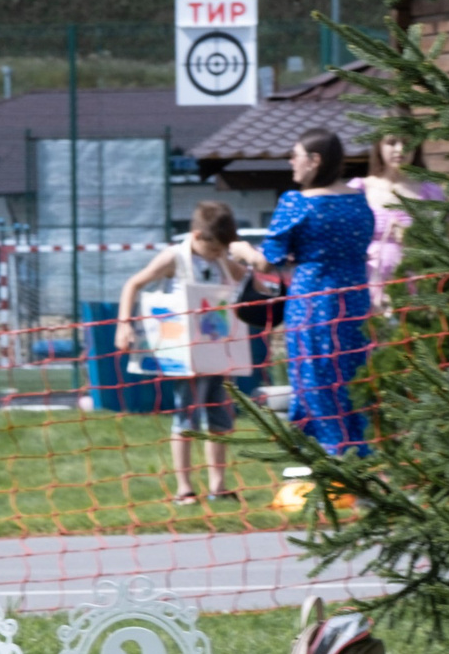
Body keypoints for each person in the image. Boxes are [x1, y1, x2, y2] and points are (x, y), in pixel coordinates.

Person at [114, 200, 252, 504]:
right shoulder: (175, 257)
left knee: (221, 416)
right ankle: (184, 488)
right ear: (199, 236)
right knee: (186, 416)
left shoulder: (221, 261)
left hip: (218, 353)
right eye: (216, 248)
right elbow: (134, 283)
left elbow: (249, 279)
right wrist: (124, 324)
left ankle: (218, 485)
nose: (220, 255)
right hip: (186, 355)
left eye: (223, 250)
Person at [264, 129, 376, 455]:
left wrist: (240, 249)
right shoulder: (358, 201)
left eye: (295, 155)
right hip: (355, 304)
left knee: (316, 385)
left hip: (313, 306)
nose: (290, 162)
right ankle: (361, 458)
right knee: (352, 384)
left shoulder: (297, 203)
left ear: (314, 161)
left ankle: (333, 461)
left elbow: (269, 259)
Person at [360, 125, 447, 312]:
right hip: (370, 287)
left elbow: (445, 241)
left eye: (407, 143)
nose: (400, 150)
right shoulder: (360, 189)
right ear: (378, 146)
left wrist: (414, 236)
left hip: (418, 289)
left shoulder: (430, 192)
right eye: (392, 142)